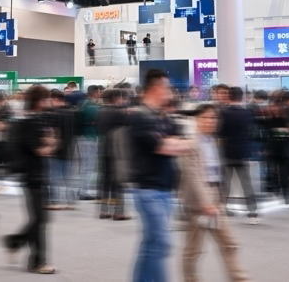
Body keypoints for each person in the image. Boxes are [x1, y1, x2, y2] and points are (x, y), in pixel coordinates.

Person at [129, 69, 191, 282]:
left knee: (150, 244)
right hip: (148, 191)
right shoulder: (140, 117)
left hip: (165, 190)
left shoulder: (164, 116)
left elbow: (182, 143)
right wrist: (171, 143)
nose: (170, 93)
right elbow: (163, 146)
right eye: (167, 88)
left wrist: (172, 143)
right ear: (156, 89)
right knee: (162, 243)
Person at [179, 104, 249, 282]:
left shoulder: (213, 142)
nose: (210, 121)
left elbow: (217, 174)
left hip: (215, 200)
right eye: (206, 118)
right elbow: (193, 176)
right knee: (193, 249)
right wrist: (205, 203)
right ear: (197, 120)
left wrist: (217, 199)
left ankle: (240, 278)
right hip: (198, 203)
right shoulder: (191, 143)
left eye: (213, 118)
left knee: (229, 243)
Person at [4, 84, 58, 274]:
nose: (49, 101)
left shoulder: (39, 119)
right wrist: (49, 144)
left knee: (40, 219)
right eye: (45, 98)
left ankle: (15, 241)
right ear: (38, 101)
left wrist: (49, 143)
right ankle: (36, 261)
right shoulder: (29, 122)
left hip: (39, 174)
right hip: (32, 175)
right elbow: (41, 149)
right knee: (39, 219)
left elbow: (48, 143)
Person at [219, 86, 259, 224]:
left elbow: (220, 133)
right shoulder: (247, 113)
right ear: (241, 98)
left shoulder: (223, 113)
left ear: (229, 96)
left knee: (225, 183)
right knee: (246, 184)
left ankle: (222, 209)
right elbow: (251, 131)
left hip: (226, 152)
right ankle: (252, 213)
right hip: (243, 152)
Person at [98, 88, 131, 220]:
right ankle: (119, 212)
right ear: (117, 98)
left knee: (105, 179)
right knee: (118, 181)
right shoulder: (119, 113)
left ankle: (103, 210)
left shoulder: (101, 112)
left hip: (104, 148)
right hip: (118, 151)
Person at [48, 89, 77, 210]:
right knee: (68, 177)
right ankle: (71, 202)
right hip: (69, 148)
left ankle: (55, 202)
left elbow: (53, 132)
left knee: (53, 177)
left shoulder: (54, 114)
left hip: (56, 149)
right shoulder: (71, 113)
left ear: (55, 99)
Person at [76, 85, 101, 201]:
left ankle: (81, 188)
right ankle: (83, 191)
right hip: (89, 138)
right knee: (88, 165)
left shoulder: (82, 103)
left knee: (84, 165)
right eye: (99, 92)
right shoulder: (93, 107)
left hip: (81, 136)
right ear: (95, 93)